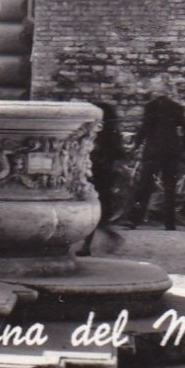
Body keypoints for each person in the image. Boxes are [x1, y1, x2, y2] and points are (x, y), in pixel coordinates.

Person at [120, 93, 185, 231]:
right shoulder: (177, 108)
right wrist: (183, 149)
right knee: (169, 188)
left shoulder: (151, 108)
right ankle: (170, 223)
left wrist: (135, 146)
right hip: (172, 152)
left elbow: (144, 129)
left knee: (145, 186)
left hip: (153, 152)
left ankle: (134, 220)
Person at [78, 102, 126, 255]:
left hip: (95, 176)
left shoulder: (96, 135)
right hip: (104, 177)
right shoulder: (112, 135)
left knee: (92, 211)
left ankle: (88, 246)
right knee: (97, 212)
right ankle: (94, 243)